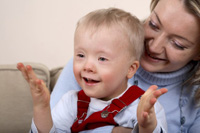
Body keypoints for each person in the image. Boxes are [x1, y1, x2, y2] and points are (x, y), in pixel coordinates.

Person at [50, 0, 200, 133]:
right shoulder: (90, 64)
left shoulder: (195, 95)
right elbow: (51, 127)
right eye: (154, 25)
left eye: (177, 44)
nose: (154, 47)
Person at [17, 8, 168, 133]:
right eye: (81, 55)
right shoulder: (71, 102)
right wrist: (42, 107)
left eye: (102, 59)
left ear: (130, 69)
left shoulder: (143, 107)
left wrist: (146, 126)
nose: (87, 66)